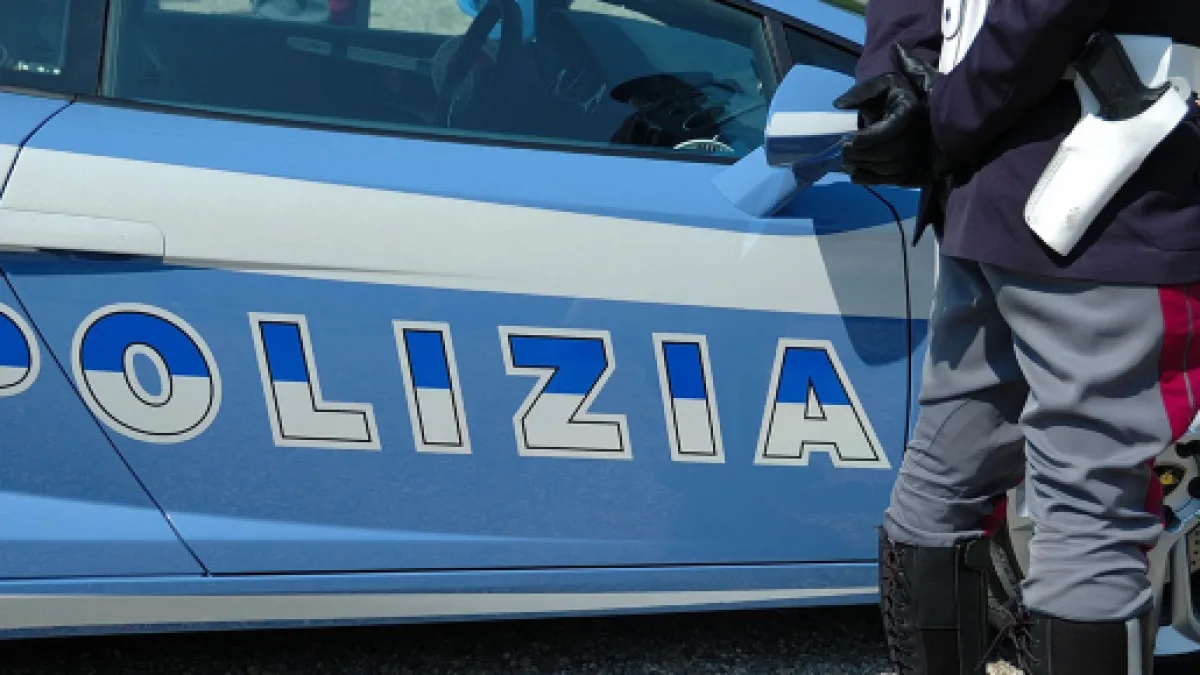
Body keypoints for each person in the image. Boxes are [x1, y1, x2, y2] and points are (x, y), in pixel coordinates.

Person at [831, 1, 1200, 674]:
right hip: (1113, 184)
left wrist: (903, 80)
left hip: (991, 180)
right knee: (1091, 511)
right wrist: (951, 110)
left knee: (945, 474)